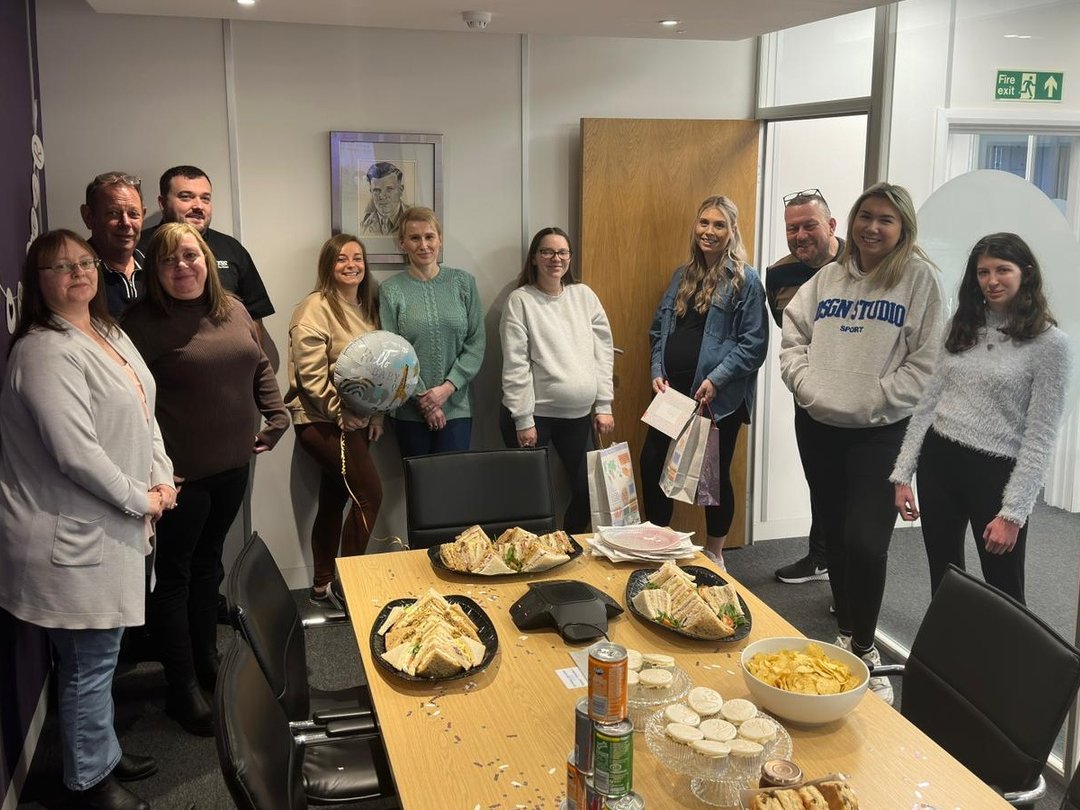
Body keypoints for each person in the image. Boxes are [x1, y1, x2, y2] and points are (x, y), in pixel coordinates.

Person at [0, 230, 175, 810]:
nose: (77, 273)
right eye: (60, 267)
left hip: (114, 523)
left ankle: (100, 750)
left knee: (103, 655)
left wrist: (161, 475)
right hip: (70, 536)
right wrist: (141, 498)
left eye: (84, 262)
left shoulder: (107, 330)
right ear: (37, 282)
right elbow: (75, 455)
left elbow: (145, 411)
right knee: (87, 664)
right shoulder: (43, 352)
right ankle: (90, 784)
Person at [780, 182, 944, 705]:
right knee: (834, 533)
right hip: (820, 427)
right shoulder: (829, 278)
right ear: (851, 222)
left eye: (886, 220)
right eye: (865, 216)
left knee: (866, 542)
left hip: (881, 431)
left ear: (903, 228)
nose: (872, 227)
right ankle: (847, 634)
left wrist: (877, 398)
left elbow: (927, 360)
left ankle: (867, 649)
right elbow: (793, 335)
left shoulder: (919, 280)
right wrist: (807, 386)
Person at [123, 222, 288, 736]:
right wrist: (151, 469)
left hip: (234, 467)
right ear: (154, 269)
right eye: (168, 259)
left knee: (207, 568)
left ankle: (207, 662)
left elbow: (258, 364)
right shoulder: (140, 325)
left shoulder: (232, 308)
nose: (182, 266)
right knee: (174, 579)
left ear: (207, 260)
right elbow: (128, 404)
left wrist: (277, 414)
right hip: (181, 479)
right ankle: (182, 688)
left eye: (191, 256)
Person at [891, 233, 1071, 605]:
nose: (991, 280)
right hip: (939, 462)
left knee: (1005, 588)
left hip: (995, 473)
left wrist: (1014, 513)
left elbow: (1040, 437)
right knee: (944, 576)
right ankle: (950, 645)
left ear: (1026, 273)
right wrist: (902, 473)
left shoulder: (1051, 344)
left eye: (1002, 270)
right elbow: (929, 402)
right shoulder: (961, 326)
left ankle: (1009, 649)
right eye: (983, 272)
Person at [640, 196, 769, 565]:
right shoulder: (681, 276)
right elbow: (658, 331)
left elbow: (754, 344)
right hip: (672, 393)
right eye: (704, 223)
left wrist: (716, 379)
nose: (709, 231)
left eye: (719, 225)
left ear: (732, 231)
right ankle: (660, 543)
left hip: (716, 397)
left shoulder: (746, 280)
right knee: (651, 462)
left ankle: (715, 553)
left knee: (711, 477)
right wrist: (656, 371)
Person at [285, 234, 384, 610]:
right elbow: (310, 376)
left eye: (357, 258)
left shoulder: (367, 307)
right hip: (321, 420)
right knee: (370, 496)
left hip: (357, 420)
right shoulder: (314, 308)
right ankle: (348, 587)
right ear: (328, 265)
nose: (351, 264)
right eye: (341, 258)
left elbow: (380, 367)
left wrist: (376, 414)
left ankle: (322, 585)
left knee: (335, 498)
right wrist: (340, 412)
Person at [499, 227, 615, 533]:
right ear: (534, 258)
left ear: (570, 258)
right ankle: (535, 555)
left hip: (578, 417)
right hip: (533, 417)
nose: (556, 258)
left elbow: (603, 352)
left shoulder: (584, 296)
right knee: (531, 500)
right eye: (547, 252)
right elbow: (515, 363)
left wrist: (604, 405)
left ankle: (567, 548)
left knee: (588, 493)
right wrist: (523, 419)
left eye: (563, 252)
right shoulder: (521, 301)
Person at [767, 189, 844, 586]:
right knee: (819, 479)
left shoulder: (859, 264)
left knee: (853, 490)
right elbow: (791, 335)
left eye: (809, 226)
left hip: (859, 400)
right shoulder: (777, 275)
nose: (799, 236)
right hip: (810, 397)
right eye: (791, 228)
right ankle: (821, 558)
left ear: (831, 225)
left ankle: (849, 579)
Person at [138, 165, 278, 365]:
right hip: (162, 368)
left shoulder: (231, 248)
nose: (198, 206)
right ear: (162, 203)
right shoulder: (141, 248)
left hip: (229, 368)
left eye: (205, 198)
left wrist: (253, 368)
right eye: (186, 197)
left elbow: (254, 316)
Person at [379, 207, 485, 455]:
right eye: (414, 238)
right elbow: (393, 353)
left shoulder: (464, 283)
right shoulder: (390, 290)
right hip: (409, 411)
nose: (423, 245)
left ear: (440, 239)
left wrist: (447, 388)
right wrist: (424, 401)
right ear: (402, 243)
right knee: (418, 479)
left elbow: (476, 343)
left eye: (429, 237)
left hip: (457, 407)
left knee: (453, 477)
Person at [80, 171, 146, 317]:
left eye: (133, 214)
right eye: (113, 213)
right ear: (88, 217)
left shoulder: (158, 269)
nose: (126, 223)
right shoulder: (75, 276)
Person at [360, 162, 409, 236]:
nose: (382, 196)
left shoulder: (415, 218)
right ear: (371, 192)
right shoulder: (364, 225)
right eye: (376, 190)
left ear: (401, 190)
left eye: (389, 189)